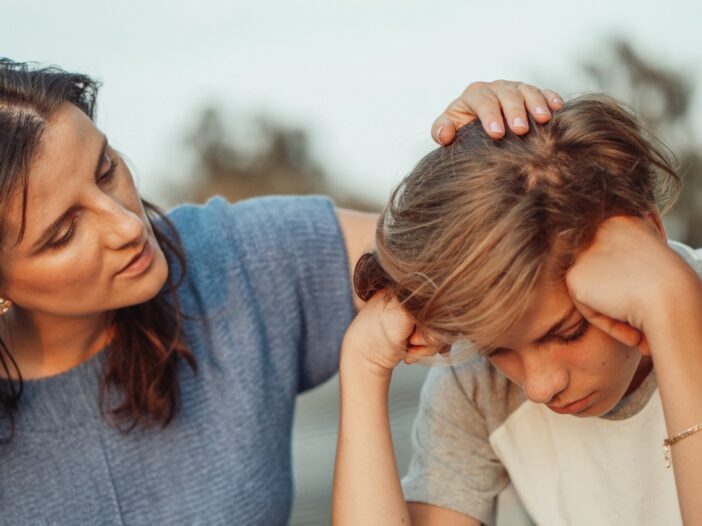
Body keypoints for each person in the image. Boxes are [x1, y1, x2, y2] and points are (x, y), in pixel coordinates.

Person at [0, 58, 562, 524]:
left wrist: (498, 153)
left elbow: (471, 240)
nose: (126, 225)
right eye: (64, 233)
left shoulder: (235, 260)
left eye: (106, 170)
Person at [332, 94, 702, 525]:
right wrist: (362, 364)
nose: (540, 387)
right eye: (497, 349)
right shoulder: (478, 386)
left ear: (650, 235)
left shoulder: (675, 297)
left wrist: (673, 308)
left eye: (567, 332)